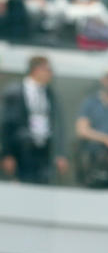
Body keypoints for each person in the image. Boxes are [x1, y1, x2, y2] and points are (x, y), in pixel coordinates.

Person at [1, 55, 68, 184]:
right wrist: (7, 154)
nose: (50, 74)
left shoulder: (50, 94)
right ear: (36, 70)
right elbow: (7, 125)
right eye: (47, 70)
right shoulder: (15, 92)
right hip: (23, 149)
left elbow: (57, 125)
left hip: (44, 149)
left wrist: (60, 153)